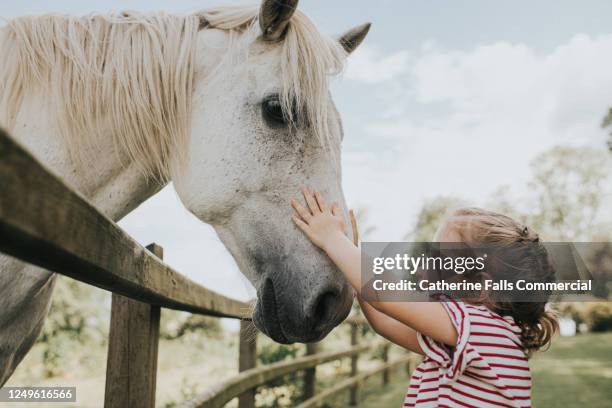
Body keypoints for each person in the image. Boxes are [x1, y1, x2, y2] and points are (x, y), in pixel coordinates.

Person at [291, 189, 558, 407]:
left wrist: (332, 239)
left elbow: (385, 296)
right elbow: (386, 322)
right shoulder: (470, 338)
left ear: (479, 288)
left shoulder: (479, 328)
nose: (421, 266)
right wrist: (348, 259)